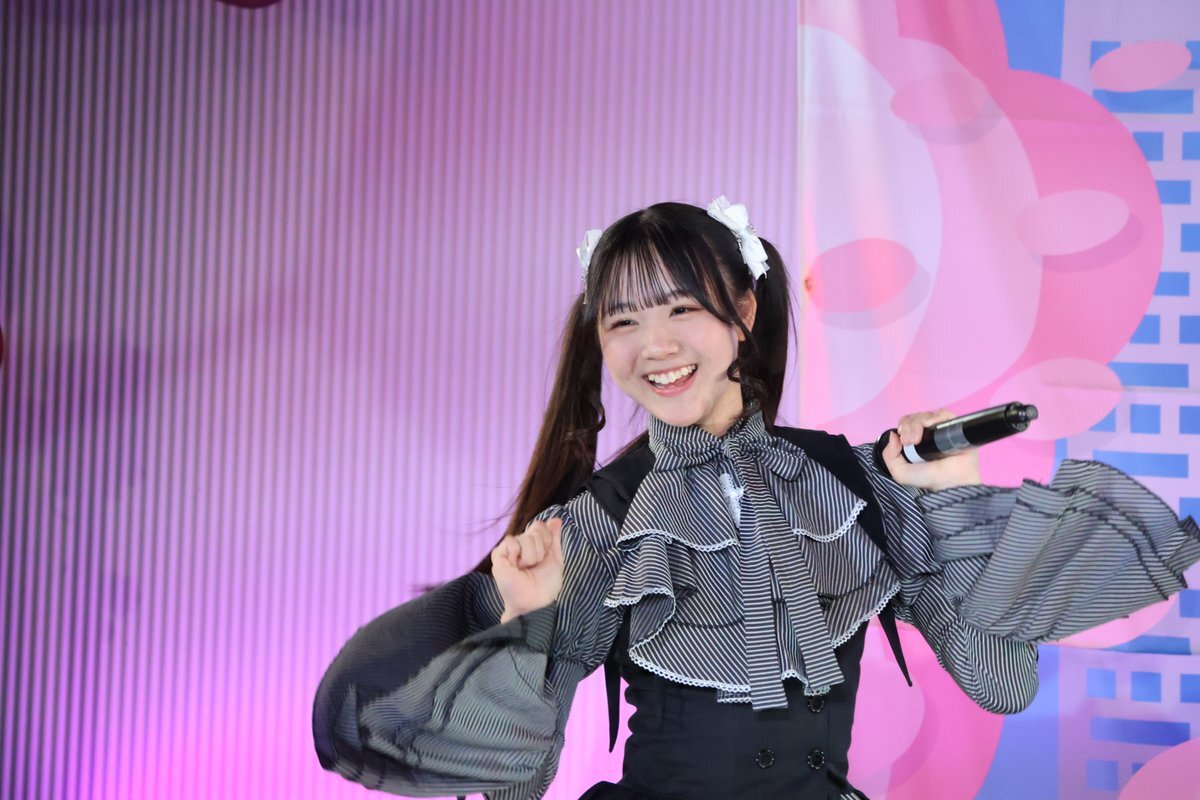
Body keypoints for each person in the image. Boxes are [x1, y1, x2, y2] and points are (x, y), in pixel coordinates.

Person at [312, 198, 1200, 800]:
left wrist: (951, 502)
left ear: (742, 310)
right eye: (623, 321)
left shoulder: (852, 484)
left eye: (680, 310)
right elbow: (516, 782)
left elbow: (999, 684)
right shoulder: (597, 524)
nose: (653, 346)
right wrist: (528, 620)